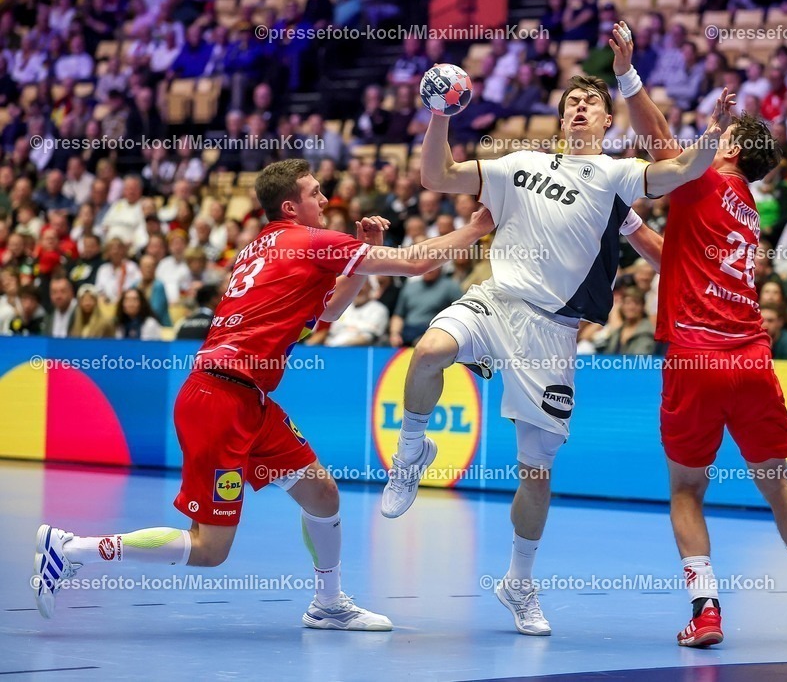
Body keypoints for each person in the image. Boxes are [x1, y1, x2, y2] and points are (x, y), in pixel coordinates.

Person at [32, 159, 497, 629]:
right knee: (210, 549)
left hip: (246, 399)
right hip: (218, 401)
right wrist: (476, 228)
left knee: (322, 495)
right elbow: (414, 264)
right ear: (291, 206)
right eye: (316, 193)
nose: (326, 200)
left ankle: (327, 603)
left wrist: (360, 256)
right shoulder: (309, 240)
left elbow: (329, 311)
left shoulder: (261, 248)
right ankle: (73, 550)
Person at [378, 67, 714, 637]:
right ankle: (412, 451)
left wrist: (715, 132)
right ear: (561, 119)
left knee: (535, 473)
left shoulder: (615, 177)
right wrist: (439, 113)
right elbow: (437, 174)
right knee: (430, 349)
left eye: (592, 102)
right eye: (573, 102)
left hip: (552, 335)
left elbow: (682, 170)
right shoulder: (519, 164)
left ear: (609, 121)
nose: (581, 107)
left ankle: (519, 582)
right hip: (498, 298)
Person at [611, 21, 787, 646]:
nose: (707, 140)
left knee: (687, 489)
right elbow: (677, 259)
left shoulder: (705, 177)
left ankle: (706, 610)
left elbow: (658, 139)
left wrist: (627, 73)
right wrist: (628, 221)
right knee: (776, 482)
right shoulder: (744, 211)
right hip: (751, 360)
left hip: (694, 358)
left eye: (722, 136)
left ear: (733, 150)